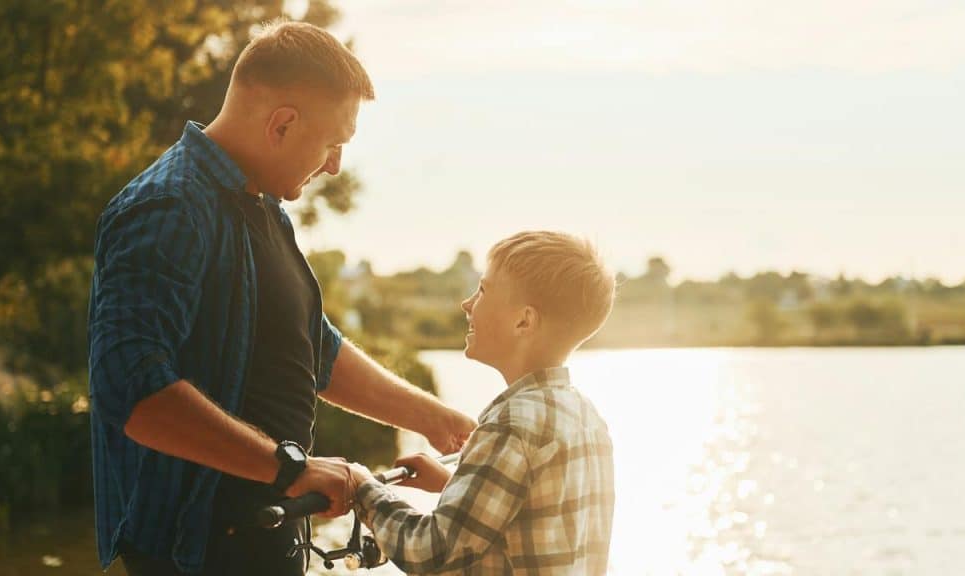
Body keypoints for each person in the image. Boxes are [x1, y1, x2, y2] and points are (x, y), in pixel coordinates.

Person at [87, 21, 475, 576]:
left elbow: (311, 347)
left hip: (267, 537)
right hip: (193, 553)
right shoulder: (167, 206)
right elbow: (130, 386)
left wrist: (435, 419)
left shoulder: (265, 208)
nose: (335, 164)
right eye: (333, 143)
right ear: (283, 124)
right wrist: (290, 468)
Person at [348, 231, 617, 574]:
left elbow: (432, 552)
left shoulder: (512, 423)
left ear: (524, 321)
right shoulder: (587, 417)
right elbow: (535, 518)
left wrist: (363, 488)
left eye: (483, 290)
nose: (467, 303)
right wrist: (453, 484)